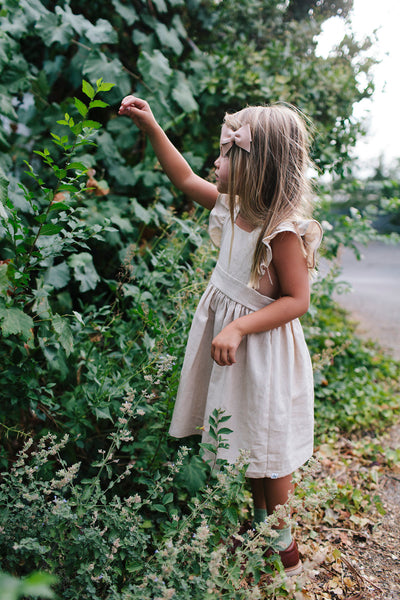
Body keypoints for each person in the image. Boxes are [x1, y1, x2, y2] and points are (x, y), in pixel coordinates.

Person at [119, 96, 322, 575]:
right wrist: (151, 127)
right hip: (234, 350)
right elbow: (186, 178)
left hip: (263, 352)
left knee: (270, 452)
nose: (217, 162)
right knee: (249, 439)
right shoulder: (231, 207)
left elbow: (297, 300)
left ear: (257, 167)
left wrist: (237, 325)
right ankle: (260, 526)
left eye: (228, 155)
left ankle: (285, 546)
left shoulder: (283, 232)